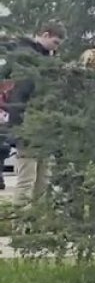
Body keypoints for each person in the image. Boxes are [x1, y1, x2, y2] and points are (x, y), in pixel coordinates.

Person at [0, 22, 66, 205]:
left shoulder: (47, 60)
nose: (56, 48)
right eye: (55, 42)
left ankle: (37, 225)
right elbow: (19, 96)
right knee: (26, 180)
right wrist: (19, 129)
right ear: (45, 35)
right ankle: (20, 226)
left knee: (43, 181)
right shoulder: (26, 59)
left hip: (44, 128)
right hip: (28, 126)